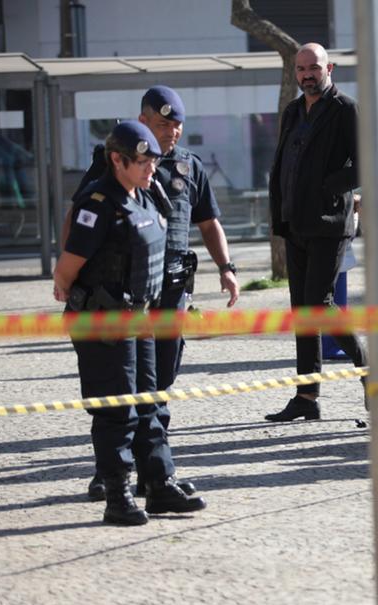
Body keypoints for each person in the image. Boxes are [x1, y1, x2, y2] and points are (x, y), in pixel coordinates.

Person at [68, 85, 239, 500]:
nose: (172, 133)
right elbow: (80, 215)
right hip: (124, 297)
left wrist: (226, 268)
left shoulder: (189, 166)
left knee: (156, 389)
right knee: (118, 389)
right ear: (143, 120)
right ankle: (113, 474)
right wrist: (69, 277)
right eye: (163, 124)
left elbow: (208, 221)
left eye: (177, 125)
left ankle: (154, 476)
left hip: (170, 293)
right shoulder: (116, 161)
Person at [52, 121, 207, 525]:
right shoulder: (98, 202)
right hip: (104, 322)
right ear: (117, 160)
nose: (151, 169)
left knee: (150, 402)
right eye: (142, 161)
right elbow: (67, 268)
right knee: (116, 410)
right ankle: (117, 494)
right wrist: (70, 291)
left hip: (140, 318)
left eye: (153, 161)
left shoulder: (145, 194)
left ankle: (158, 486)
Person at [265, 42, 367, 422]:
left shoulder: (345, 109)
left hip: (328, 224)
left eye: (314, 67)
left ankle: (367, 366)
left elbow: (365, 163)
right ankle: (306, 398)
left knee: (319, 305)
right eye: (302, 69)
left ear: (330, 68)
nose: (308, 74)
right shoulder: (293, 111)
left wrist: (327, 186)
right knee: (302, 312)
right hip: (295, 223)